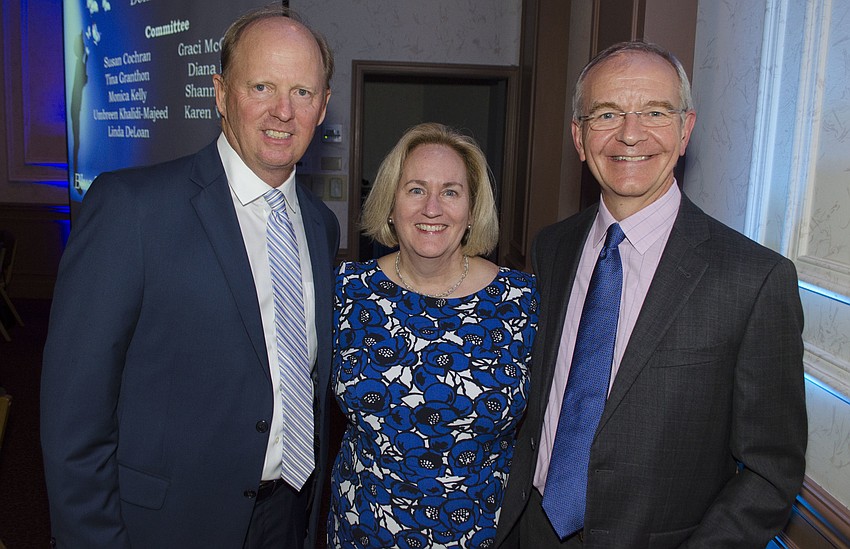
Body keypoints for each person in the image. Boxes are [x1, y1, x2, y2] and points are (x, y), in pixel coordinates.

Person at [40, 5, 339, 548]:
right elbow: (74, 418)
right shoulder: (131, 209)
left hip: (288, 517)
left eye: (303, 92)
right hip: (167, 526)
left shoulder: (321, 226)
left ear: (321, 108)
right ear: (221, 94)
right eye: (262, 86)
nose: (283, 111)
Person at [495, 41, 807, 548]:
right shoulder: (552, 247)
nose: (630, 133)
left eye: (655, 112)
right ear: (579, 136)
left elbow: (772, 471)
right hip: (529, 530)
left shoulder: (753, 279)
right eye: (607, 113)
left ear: (685, 130)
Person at [327, 122, 539, 548]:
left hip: (482, 537)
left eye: (451, 192)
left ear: (471, 209)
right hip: (362, 533)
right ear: (391, 203)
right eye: (416, 189)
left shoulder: (524, 300)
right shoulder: (346, 290)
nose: (432, 208)